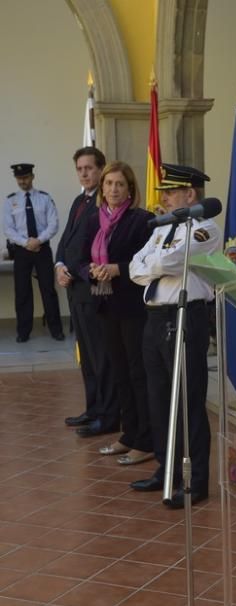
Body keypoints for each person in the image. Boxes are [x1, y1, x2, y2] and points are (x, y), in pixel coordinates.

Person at [129, 163, 222, 508]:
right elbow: (134, 267)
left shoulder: (204, 228)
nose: (164, 198)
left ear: (190, 194)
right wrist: (154, 262)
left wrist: (153, 262)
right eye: (164, 192)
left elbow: (173, 261)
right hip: (154, 318)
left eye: (170, 192)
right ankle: (165, 470)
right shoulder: (163, 227)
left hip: (185, 317)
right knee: (158, 398)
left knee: (187, 401)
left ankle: (196, 481)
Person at [80, 161, 153, 464]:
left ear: (130, 189)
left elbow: (147, 263)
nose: (113, 189)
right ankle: (129, 434)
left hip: (133, 307)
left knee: (138, 374)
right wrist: (92, 271)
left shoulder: (142, 220)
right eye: (108, 183)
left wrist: (116, 269)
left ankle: (146, 441)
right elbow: (80, 259)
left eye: (119, 184)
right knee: (119, 373)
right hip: (105, 304)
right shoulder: (93, 220)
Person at [55, 147, 120, 437]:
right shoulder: (79, 200)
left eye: (89, 168)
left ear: (101, 169)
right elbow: (66, 240)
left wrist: (78, 271)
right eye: (79, 169)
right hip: (75, 290)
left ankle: (108, 415)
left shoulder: (102, 205)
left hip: (94, 289)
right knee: (87, 355)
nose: (84, 173)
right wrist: (59, 265)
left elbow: (99, 248)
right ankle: (93, 408)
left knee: (101, 355)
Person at [3, 163, 64, 342]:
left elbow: (53, 224)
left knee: (48, 290)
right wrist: (26, 243)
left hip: (42, 249)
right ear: (16, 179)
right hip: (21, 251)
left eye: (26, 177)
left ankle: (56, 330)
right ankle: (23, 332)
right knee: (22, 292)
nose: (23, 181)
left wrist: (39, 240)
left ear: (32, 177)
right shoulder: (10, 201)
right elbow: (8, 229)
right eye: (20, 178)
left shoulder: (44, 198)